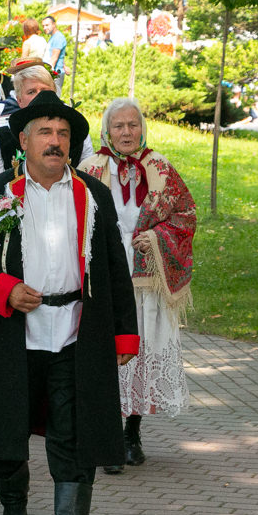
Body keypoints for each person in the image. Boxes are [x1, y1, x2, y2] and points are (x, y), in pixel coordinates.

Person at [0, 90, 139, 515]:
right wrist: (1, 287)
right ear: (25, 141)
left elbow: (114, 267)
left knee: (73, 437)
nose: (56, 142)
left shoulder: (94, 196)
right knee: (7, 433)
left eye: (64, 134)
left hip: (77, 333)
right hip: (14, 335)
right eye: (46, 133)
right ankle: (14, 509)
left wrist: (125, 332)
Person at [77, 98, 195, 475]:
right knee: (105, 351)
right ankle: (108, 434)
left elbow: (186, 215)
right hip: (105, 275)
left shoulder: (160, 167)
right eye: (118, 126)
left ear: (142, 128)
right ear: (106, 131)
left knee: (139, 352)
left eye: (132, 125)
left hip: (145, 280)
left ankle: (132, 434)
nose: (126, 133)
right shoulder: (89, 169)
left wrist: (157, 237)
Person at [0, 59, 95, 184]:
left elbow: (88, 175)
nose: (39, 96)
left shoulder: (76, 129)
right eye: (31, 92)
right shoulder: (0, 138)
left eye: (45, 91)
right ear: (19, 100)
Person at [43, 16, 67, 93]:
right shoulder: (54, 37)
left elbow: (54, 57)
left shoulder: (58, 38)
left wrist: (47, 73)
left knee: (54, 97)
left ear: (54, 24)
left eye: (47, 25)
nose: (45, 28)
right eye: (43, 26)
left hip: (55, 73)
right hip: (53, 72)